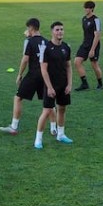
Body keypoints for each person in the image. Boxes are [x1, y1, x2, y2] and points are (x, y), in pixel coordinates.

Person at [0, 18, 48, 136]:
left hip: (33, 75)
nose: (27, 30)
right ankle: (55, 127)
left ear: (31, 28)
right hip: (45, 75)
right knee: (48, 103)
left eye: (28, 28)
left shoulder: (29, 41)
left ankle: (14, 126)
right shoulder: (47, 42)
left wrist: (20, 74)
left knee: (18, 98)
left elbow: (25, 59)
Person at [34, 21, 73, 149]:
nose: (60, 32)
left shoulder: (66, 47)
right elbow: (43, 69)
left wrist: (69, 84)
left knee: (62, 109)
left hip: (63, 85)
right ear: (52, 32)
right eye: (57, 30)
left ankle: (61, 135)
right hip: (51, 85)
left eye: (61, 29)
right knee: (47, 111)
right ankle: (38, 139)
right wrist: (49, 87)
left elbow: (68, 67)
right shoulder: (46, 48)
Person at [74, 0, 103, 91]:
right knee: (77, 62)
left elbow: (97, 35)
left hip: (93, 45)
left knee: (94, 64)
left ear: (92, 9)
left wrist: (92, 50)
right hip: (85, 44)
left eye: (88, 8)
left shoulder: (96, 20)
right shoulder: (84, 19)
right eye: (85, 8)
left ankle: (100, 84)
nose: (86, 9)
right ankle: (84, 84)